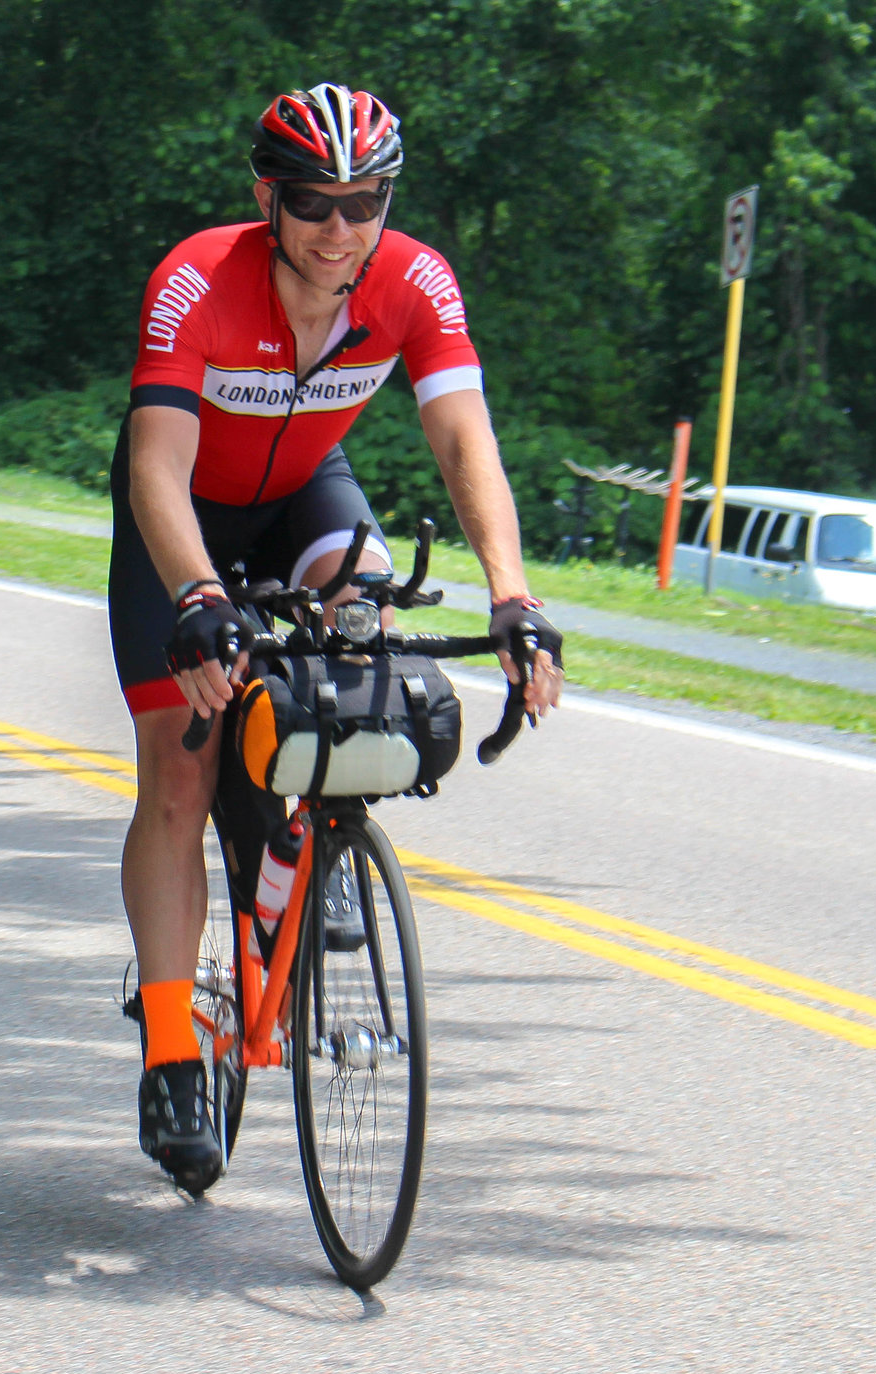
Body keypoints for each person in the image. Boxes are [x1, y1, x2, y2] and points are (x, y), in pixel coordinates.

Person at [113, 81, 562, 1182]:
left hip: (311, 489)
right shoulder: (195, 281)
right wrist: (198, 599)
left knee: (365, 633)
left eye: (366, 202)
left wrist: (514, 595)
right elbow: (156, 467)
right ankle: (174, 1041)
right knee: (181, 776)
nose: (340, 229)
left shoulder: (414, 280)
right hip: (185, 521)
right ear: (269, 198)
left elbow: (465, 444)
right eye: (315, 201)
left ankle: (323, 842)